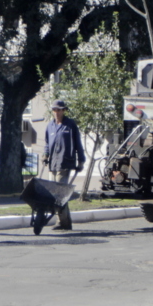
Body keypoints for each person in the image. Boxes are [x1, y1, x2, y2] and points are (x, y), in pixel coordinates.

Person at [43, 99, 85, 231]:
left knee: (60, 194)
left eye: (59, 110)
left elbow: (78, 143)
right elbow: (47, 143)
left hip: (65, 162)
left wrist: (81, 161)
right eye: (55, 110)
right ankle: (64, 221)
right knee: (54, 194)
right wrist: (45, 155)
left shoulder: (70, 125)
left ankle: (63, 222)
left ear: (64, 110)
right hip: (52, 164)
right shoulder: (50, 126)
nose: (57, 112)